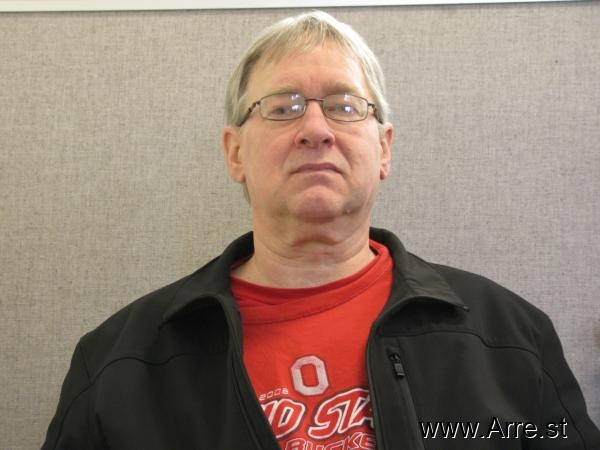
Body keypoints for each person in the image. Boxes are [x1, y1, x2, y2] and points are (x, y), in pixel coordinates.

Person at [41, 10, 599, 450]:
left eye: (345, 106)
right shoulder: (118, 365)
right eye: (282, 107)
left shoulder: (511, 339)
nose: (315, 129)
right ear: (235, 153)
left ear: (384, 149)